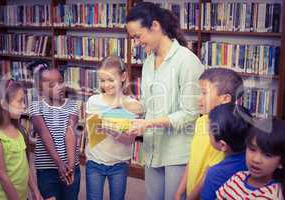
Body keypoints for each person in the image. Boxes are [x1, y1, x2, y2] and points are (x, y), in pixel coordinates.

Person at [126, 2, 204, 200]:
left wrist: (149, 123)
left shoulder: (187, 61)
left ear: (155, 26)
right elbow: (146, 104)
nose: (136, 43)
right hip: (153, 148)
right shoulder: (148, 62)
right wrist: (119, 105)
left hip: (177, 152)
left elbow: (190, 113)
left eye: (137, 36)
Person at [175, 68, 244, 200]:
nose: (199, 98)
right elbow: (193, 158)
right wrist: (180, 191)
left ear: (225, 99)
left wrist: (191, 197)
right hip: (191, 191)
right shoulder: (201, 121)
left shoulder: (224, 131)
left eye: (204, 93)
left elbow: (210, 172)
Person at [85, 55, 143, 200]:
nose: (106, 85)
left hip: (119, 164)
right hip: (94, 161)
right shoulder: (93, 101)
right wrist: (100, 126)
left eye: (111, 80)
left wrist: (110, 128)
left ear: (123, 77)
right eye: (103, 81)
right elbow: (89, 133)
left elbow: (129, 141)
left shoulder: (131, 105)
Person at [29, 61, 80, 200]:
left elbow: (70, 133)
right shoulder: (36, 107)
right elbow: (45, 134)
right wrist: (59, 163)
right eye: (52, 85)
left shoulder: (72, 106)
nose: (59, 86)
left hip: (70, 166)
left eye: (61, 81)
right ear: (40, 90)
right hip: (47, 169)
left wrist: (69, 166)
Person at [0, 79, 42, 200]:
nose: (24, 105)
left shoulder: (19, 130)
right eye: (20, 101)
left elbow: (25, 165)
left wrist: (34, 189)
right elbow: (2, 177)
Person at [216, 118, 285, 199]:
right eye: (252, 149)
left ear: (280, 162)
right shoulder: (238, 177)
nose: (256, 160)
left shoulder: (271, 195)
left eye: (267, 155)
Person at [201, 103, 252, 200]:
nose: (208, 134)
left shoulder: (216, 173)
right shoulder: (253, 163)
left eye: (209, 133)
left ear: (223, 145)